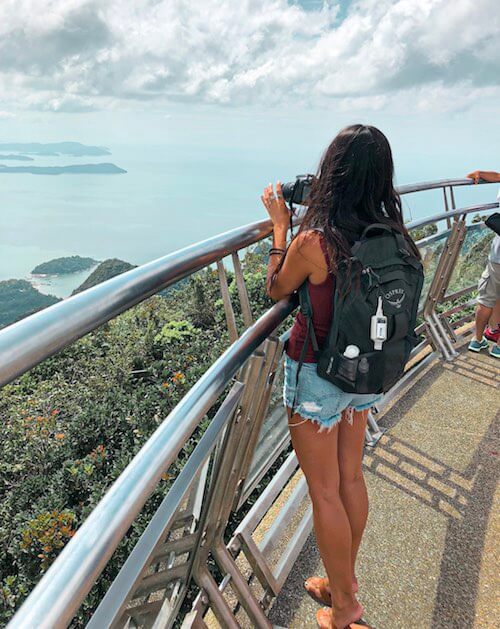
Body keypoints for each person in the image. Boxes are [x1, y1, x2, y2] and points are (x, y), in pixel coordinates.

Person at [261, 124, 421, 629]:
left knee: (324, 490)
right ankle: (338, 582)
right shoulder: (394, 236)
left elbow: (274, 288)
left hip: (317, 375)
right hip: (365, 371)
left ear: (333, 174)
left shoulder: (314, 241)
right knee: (350, 477)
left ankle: (346, 607)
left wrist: (280, 227)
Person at [466, 170, 500, 359]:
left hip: (498, 255)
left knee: (487, 297)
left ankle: (477, 339)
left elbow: (497, 176)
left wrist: (480, 173)